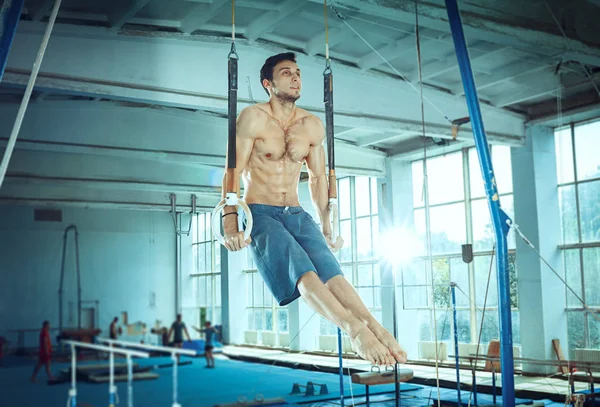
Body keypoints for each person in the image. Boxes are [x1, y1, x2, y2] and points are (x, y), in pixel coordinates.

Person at [221, 52, 407, 366]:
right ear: (268, 83)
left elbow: (319, 179)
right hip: (260, 212)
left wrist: (327, 223)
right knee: (304, 273)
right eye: (285, 73)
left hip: (295, 212)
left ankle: (374, 326)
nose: (295, 78)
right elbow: (233, 169)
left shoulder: (311, 125)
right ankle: (354, 330)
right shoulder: (253, 117)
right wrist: (229, 222)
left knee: (331, 271)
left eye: (297, 72)